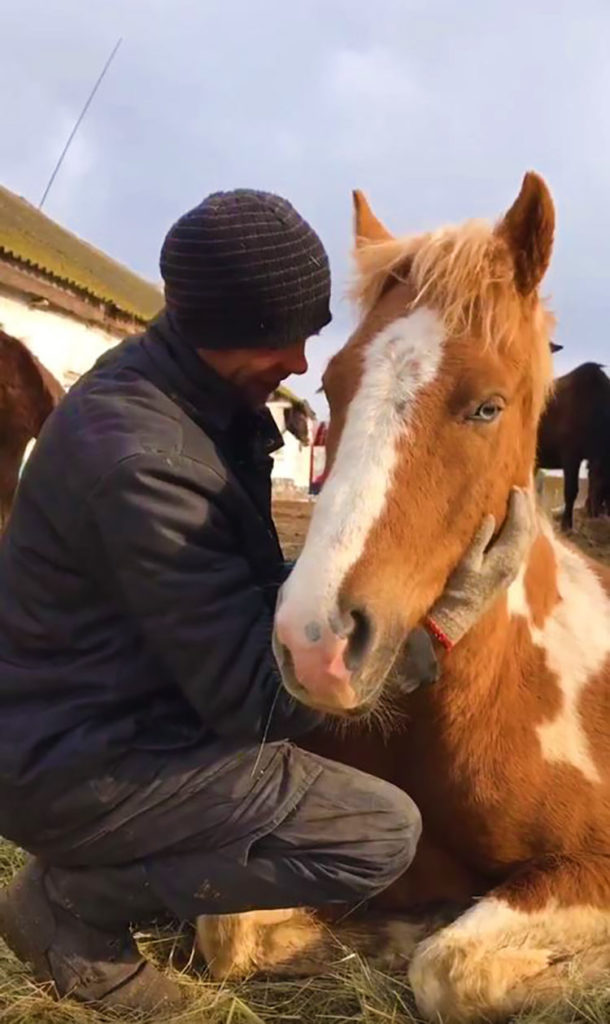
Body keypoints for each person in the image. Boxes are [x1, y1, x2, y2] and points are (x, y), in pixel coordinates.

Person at [0, 190, 533, 1013]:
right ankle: (75, 905)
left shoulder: (190, 403)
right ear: (212, 329)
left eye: (312, 329)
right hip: (78, 757)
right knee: (376, 830)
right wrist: (436, 627)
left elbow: (220, 591)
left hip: (103, 712)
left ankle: (89, 867)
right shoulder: (141, 458)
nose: (299, 360)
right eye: (278, 336)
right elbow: (249, 694)